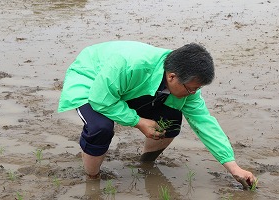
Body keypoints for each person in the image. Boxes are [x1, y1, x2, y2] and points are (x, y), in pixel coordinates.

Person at [58, 40, 256, 188]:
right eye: (191, 89)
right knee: (100, 127)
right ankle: (92, 179)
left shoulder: (185, 84)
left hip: (129, 87)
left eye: (198, 89)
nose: (194, 93)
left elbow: (204, 123)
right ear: (172, 77)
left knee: (170, 121)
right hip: (92, 79)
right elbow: (100, 99)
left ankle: (145, 164)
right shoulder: (131, 64)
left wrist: (233, 167)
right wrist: (137, 121)